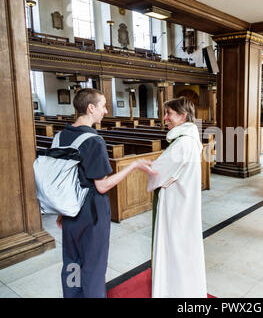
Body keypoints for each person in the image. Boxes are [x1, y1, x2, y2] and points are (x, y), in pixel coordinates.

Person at [56, 88, 156, 298]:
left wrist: (61, 209)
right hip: (90, 213)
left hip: (67, 210)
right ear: (91, 108)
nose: (105, 110)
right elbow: (101, 186)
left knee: (72, 263)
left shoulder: (60, 136)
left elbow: (62, 177)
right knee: (93, 266)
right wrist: (133, 165)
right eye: (102, 106)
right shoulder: (93, 140)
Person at [147, 96, 207, 298]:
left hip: (176, 205)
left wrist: (146, 166)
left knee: (176, 248)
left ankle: (174, 291)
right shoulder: (188, 139)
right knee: (184, 248)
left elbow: (156, 173)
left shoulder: (182, 144)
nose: (165, 118)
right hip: (183, 202)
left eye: (169, 114)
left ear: (182, 116)